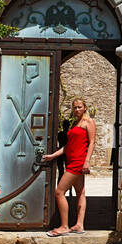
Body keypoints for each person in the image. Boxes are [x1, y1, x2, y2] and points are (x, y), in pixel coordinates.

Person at [40, 98, 96, 236]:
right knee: (80, 193)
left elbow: (92, 142)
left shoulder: (88, 122)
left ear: (85, 107)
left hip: (78, 162)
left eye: (79, 107)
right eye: (75, 107)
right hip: (71, 161)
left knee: (59, 192)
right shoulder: (75, 123)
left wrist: (87, 161)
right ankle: (79, 225)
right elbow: (68, 146)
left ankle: (64, 226)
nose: (77, 110)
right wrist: (53, 156)